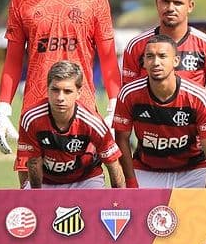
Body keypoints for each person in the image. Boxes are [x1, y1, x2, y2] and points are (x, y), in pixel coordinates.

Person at [0, 0, 121, 188]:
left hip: (82, 105)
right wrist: (2, 109)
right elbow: (13, 60)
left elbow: (108, 58)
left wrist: (113, 105)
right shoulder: (22, 1)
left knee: (89, 178)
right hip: (34, 105)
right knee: (31, 188)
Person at [113, 34, 206, 188]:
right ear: (144, 62)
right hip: (147, 169)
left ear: (176, 61)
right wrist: (131, 184)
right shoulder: (128, 94)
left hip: (192, 170)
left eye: (162, 56)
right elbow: (121, 140)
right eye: (150, 56)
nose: (156, 62)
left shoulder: (198, 96)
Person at [15, 60, 125, 189]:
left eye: (67, 91)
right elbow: (33, 162)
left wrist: (120, 202)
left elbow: (113, 164)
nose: (60, 97)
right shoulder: (31, 118)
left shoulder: (93, 123)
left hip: (86, 180)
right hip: (46, 181)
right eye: (55, 90)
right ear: (47, 89)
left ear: (79, 93)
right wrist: (36, 200)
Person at [121, 0, 206, 106]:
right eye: (165, 1)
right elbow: (128, 92)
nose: (170, 8)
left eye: (178, 3)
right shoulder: (136, 45)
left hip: (190, 124)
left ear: (190, 6)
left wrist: (192, 116)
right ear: (157, 3)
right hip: (149, 123)